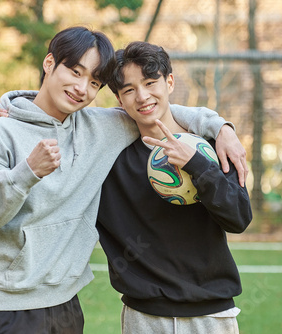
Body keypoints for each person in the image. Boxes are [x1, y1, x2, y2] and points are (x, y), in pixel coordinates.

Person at [0, 26, 246, 334]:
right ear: (50, 63)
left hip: (66, 302)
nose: (82, 88)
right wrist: (26, 172)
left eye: (94, 82)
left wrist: (219, 126)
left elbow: (152, 108)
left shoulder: (101, 128)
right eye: (75, 72)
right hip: (8, 306)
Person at [96, 41, 252, 333]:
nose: (142, 96)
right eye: (129, 90)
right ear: (119, 99)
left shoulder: (210, 148)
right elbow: (63, 117)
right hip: (144, 317)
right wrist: (9, 114)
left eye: (150, 82)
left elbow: (239, 218)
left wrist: (196, 164)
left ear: (169, 82)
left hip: (212, 314)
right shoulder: (108, 160)